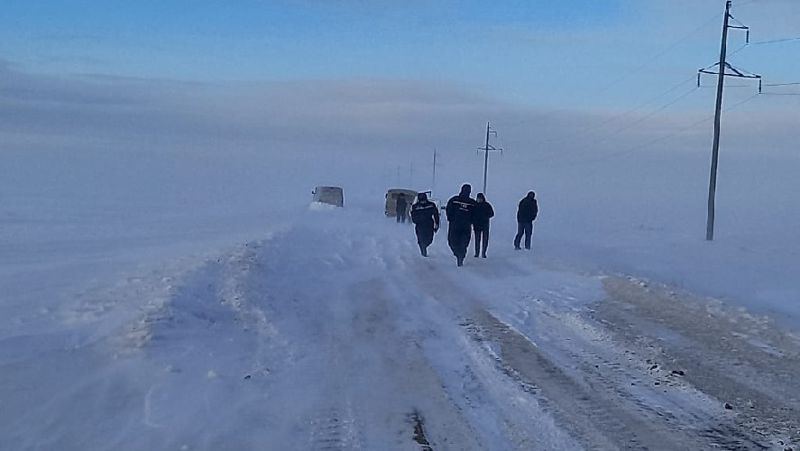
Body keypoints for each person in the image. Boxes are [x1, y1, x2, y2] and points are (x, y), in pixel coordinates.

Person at [445, 184, 477, 267]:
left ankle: (460, 257)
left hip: (465, 226)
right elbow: (449, 209)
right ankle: (459, 254)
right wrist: (450, 218)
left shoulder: (472, 203)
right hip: (456, 224)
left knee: (462, 243)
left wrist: (472, 221)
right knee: (453, 242)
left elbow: (476, 214)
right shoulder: (454, 200)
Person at [410, 192, 440, 257]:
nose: (423, 202)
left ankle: (424, 246)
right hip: (420, 226)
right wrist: (417, 220)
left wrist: (437, 224)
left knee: (430, 240)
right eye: (421, 200)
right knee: (421, 240)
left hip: (429, 225)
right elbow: (413, 217)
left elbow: (436, 214)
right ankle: (423, 252)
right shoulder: (415, 206)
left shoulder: (431, 205)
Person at [472, 193, 494, 258]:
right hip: (477, 226)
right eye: (478, 198)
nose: (479, 200)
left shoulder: (487, 205)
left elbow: (492, 213)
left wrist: (485, 216)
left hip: (485, 225)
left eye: (480, 198)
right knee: (477, 240)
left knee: (485, 240)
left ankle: (483, 253)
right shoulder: (474, 205)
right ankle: (477, 253)